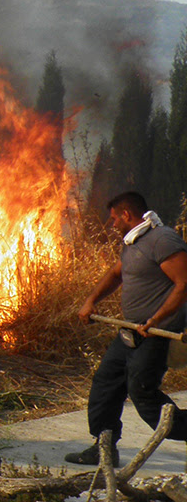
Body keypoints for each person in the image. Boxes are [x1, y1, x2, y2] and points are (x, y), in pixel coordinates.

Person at [66, 191, 187, 466]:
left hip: (157, 334)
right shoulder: (134, 242)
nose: (112, 225)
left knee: (142, 393)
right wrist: (91, 300)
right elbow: (114, 274)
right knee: (106, 383)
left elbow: (183, 283)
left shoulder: (163, 240)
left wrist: (156, 319)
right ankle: (103, 448)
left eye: (113, 219)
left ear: (126, 215)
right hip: (131, 331)